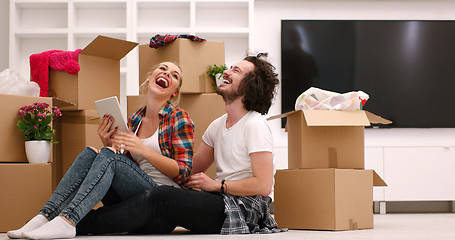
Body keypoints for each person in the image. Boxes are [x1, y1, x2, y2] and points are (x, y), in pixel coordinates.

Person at [73, 53, 287, 235]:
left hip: (245, 208)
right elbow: (187, 171)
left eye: (236, 71)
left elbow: (263, 185)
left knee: (164, 196)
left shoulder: (255, 124)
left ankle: (78, 223)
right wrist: (130, 164)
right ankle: (68, 218)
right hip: (219, 198)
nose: (227, 71)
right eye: (230, 68)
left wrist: (218, 185)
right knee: (157, 194)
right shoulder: (217, 125)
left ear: (250, 86)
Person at [7, 62, 194, 239]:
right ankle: (45, 216)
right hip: (135, 200)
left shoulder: (179, 118)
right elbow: (127, 167)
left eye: (174, 75)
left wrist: (143, 149)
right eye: (162, 69)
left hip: (161, 207)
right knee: (91, 152)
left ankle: (68, 220)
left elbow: (184, 172)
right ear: (148, 78)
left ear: (174, 92)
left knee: (109, 157)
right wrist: (108, 143)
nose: (167, 73)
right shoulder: (135, 119)